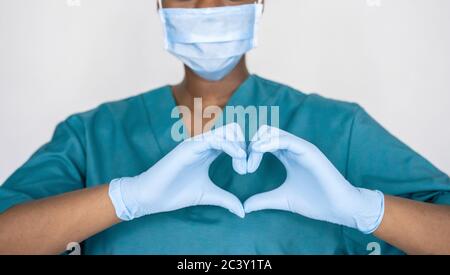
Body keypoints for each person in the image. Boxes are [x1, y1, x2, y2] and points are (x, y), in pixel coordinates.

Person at [0, 0, 449, 255]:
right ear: (159, 5)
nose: (206, 4)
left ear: (259, 4)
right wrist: (125, 198)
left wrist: (364, 209)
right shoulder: (93, 135)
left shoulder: (337, 128)